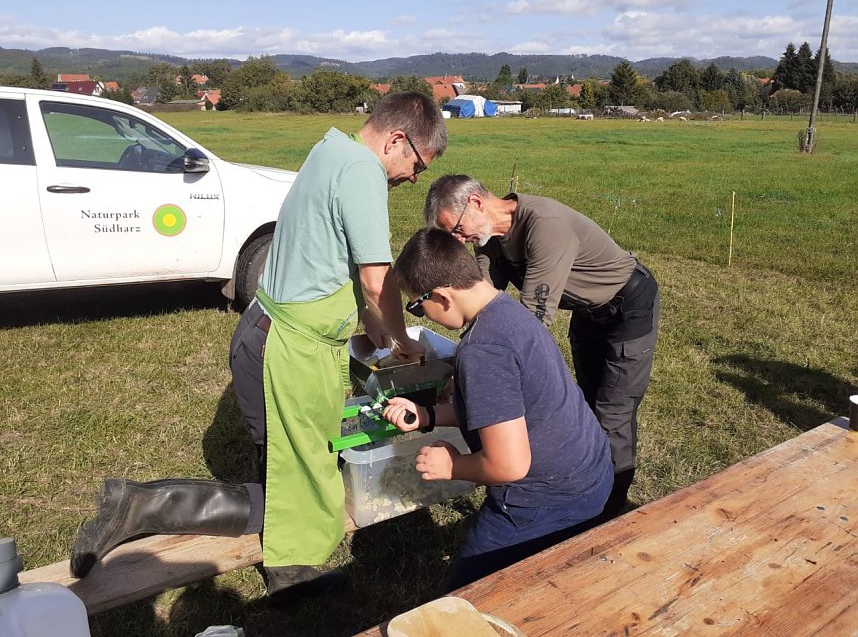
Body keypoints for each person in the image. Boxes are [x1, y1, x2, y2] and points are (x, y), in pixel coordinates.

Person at [69, 92, 448, 603]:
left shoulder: (332, 149)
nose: (413, 177)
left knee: (298, 471)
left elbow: (324, 252)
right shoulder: (362, 172)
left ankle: (279, 565)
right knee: (301, 482)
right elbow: (376, 275)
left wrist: (365, 323)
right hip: (284, 348)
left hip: (270, 332)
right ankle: (144, 507)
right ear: (397, 140)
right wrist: (400, 341)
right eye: (418, 164)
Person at [381, 227, 613, 590]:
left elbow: (509, 465)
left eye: (417, 306)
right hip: (592, 472)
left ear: (442, 296)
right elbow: (500, 410)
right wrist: (426, 416)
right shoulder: (507, 312)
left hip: (547, 499)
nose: (419, 314)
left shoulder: (482, 351)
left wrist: (452, 465)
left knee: (462, 600)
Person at [423, 174, 659, 520]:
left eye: (456, 230)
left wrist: (480, 377)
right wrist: (462, 368)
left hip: (627, 309)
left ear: (475, 202)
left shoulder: (546, 227)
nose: (460, 240)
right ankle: (587, 490)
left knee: (612, 412)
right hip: (587, 311)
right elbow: (479, 305)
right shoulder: (488, 236)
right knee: (587, 401)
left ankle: (609, 512)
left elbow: (530, 321)